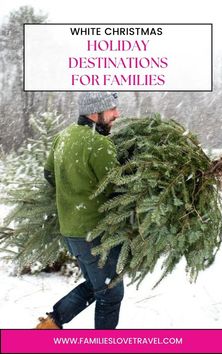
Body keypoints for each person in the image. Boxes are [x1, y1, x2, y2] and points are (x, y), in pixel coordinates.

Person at [36, 92, 124, 329]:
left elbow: (48, 174)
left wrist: (74, 192)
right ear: (95, 113)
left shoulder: (63, 137)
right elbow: (116, 189)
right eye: (112, 109)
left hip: (72, 230)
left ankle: (50, 325)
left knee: (96, 286)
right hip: (94, 232)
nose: (117, 114)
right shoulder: (99, 144)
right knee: (110, 293)